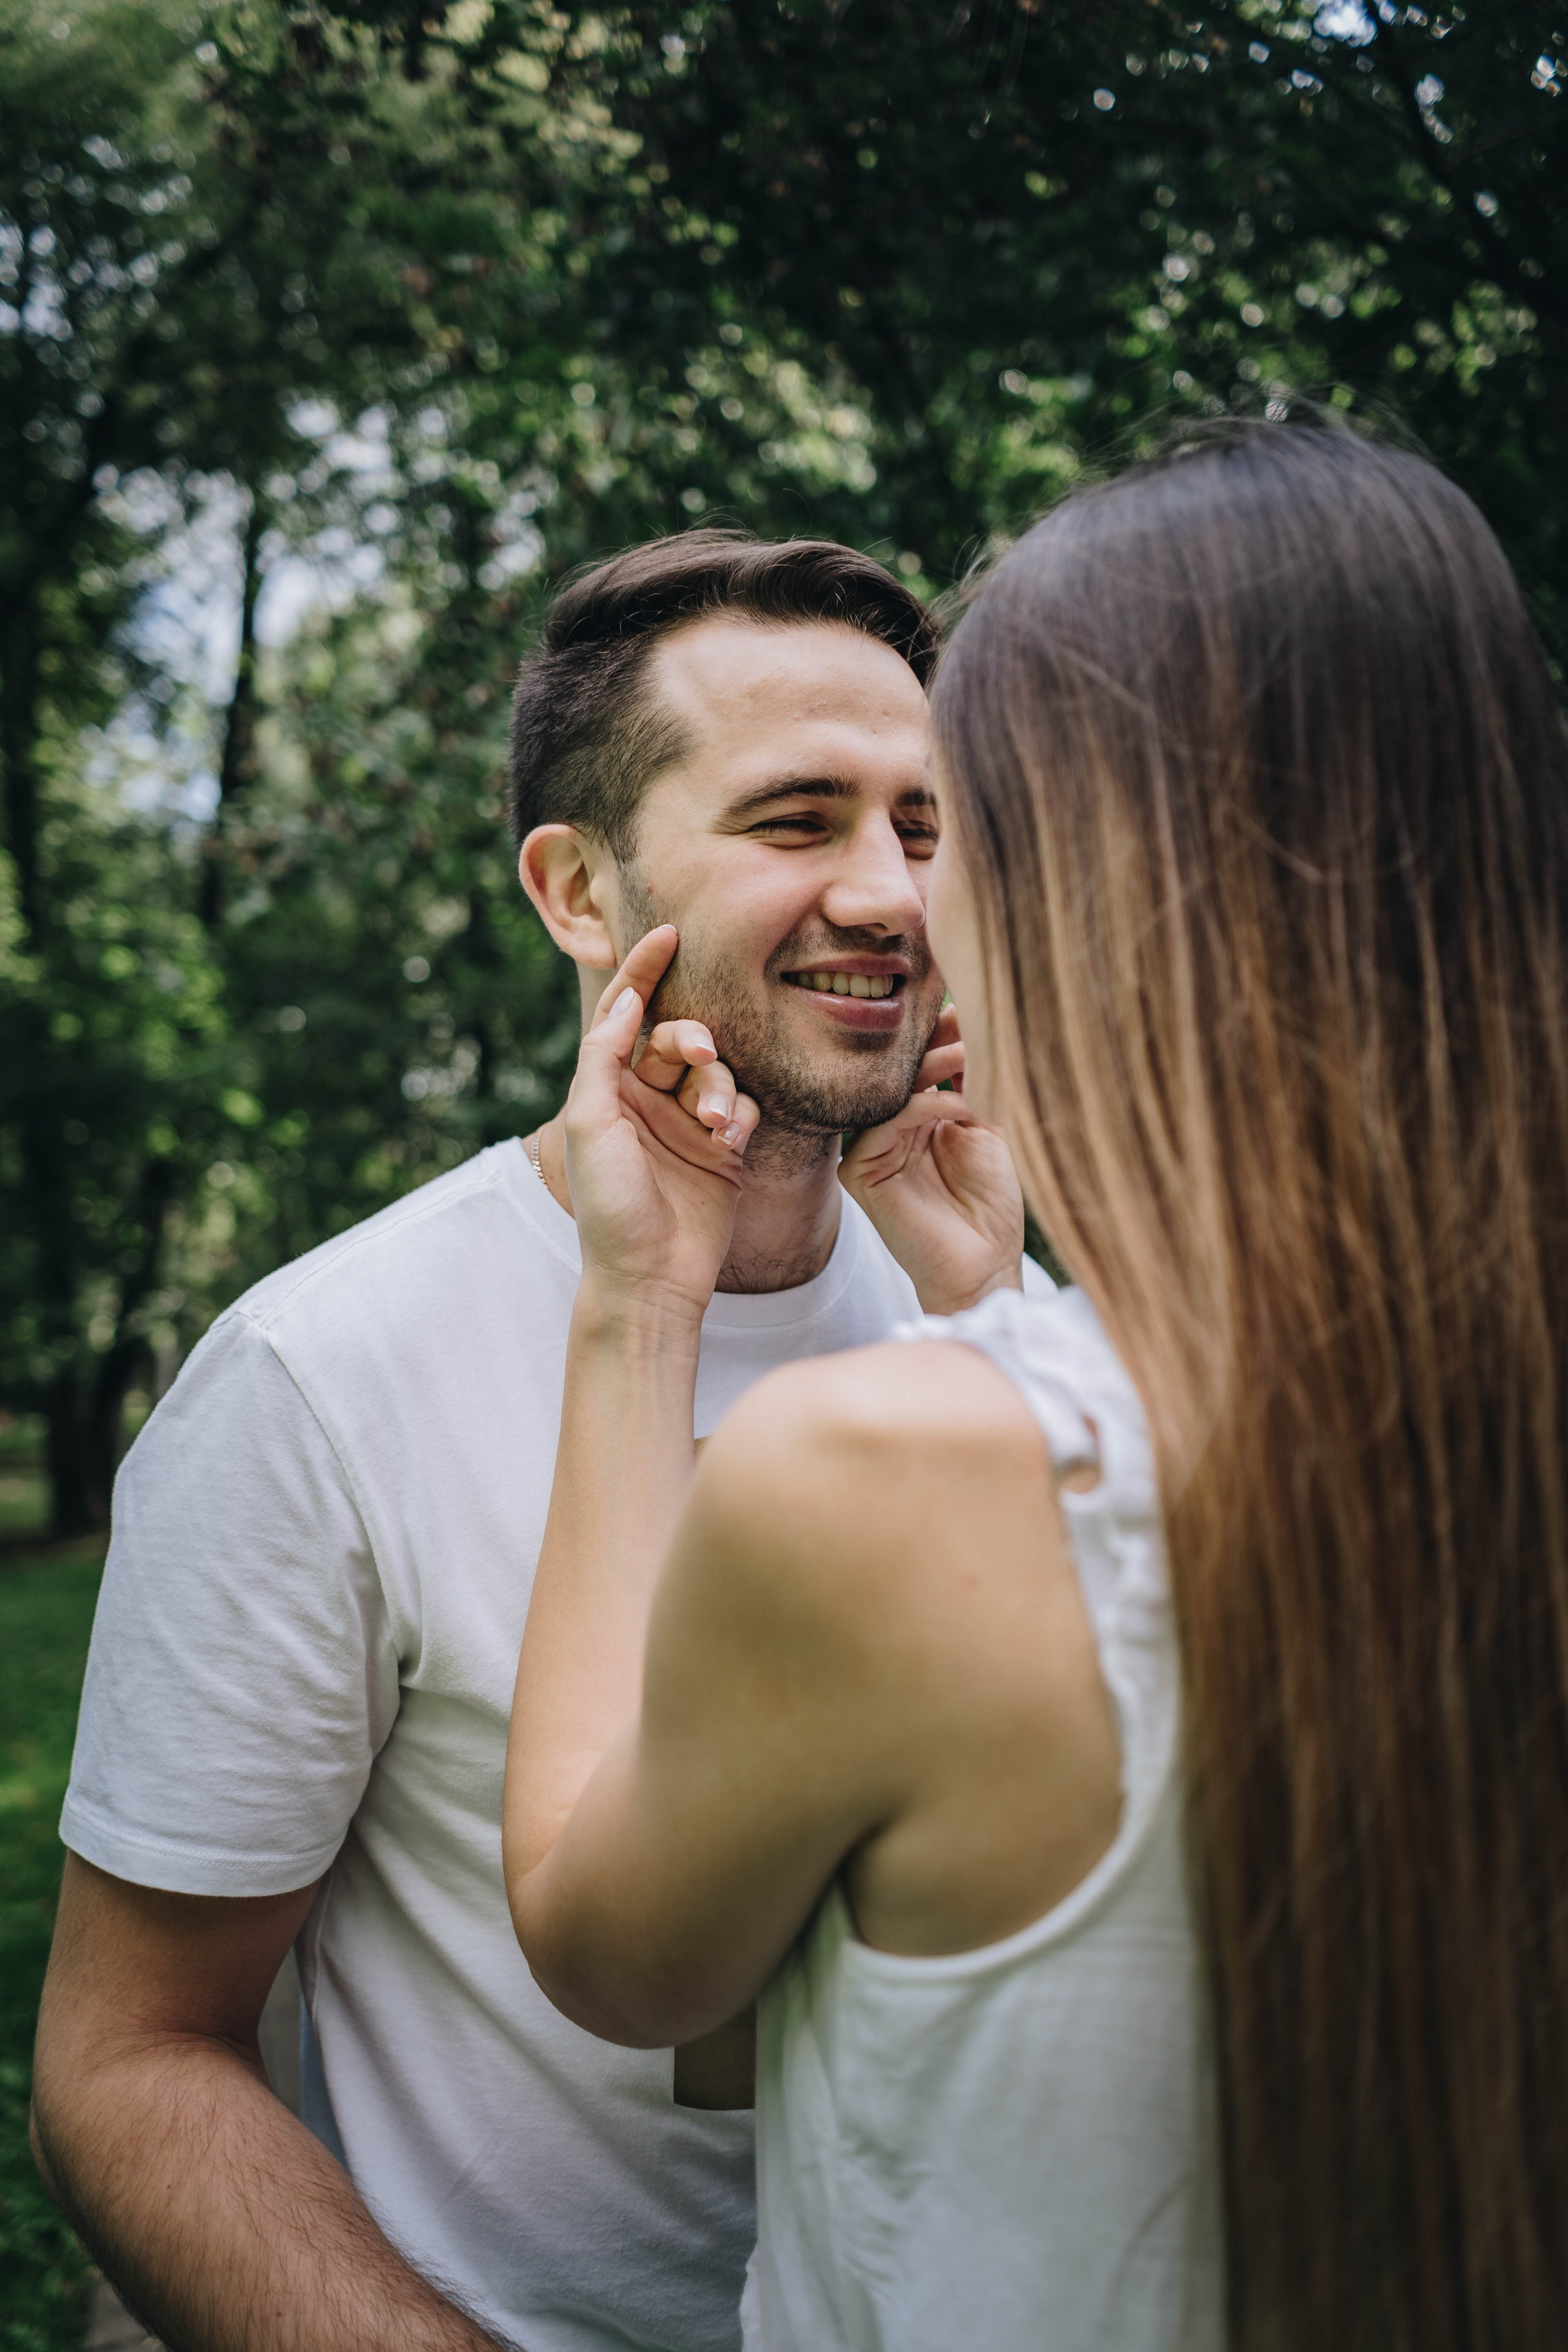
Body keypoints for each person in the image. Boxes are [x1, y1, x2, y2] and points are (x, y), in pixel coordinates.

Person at [503, 424, 1568, 2351]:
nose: (909, 903)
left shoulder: (891, 1475)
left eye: (943, 827)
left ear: (1083, 881)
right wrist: (996, 1299)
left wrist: (636, 1304)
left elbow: (608, 1940)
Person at [31, 530, 1050, 2352]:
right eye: (799, 819)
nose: (892, 893)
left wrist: (1012, 1330)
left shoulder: (1020, 1330)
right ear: (578, 892)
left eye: (925, 823)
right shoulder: (318, 1373)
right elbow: (132, 2061)